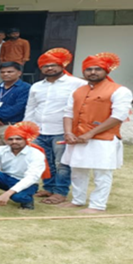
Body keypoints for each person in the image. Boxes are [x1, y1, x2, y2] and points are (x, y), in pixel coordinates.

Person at [57, 53, 133, 214]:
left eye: (97, 69)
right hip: (77, 138)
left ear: (106, 71)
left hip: (103, 138)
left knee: (102, 172)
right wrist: (68, 132)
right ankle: (77, 200)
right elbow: (68, 113)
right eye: (88, 69)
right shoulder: (78, 91)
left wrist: (91, 133)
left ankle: (98, 205)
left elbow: (119, 116)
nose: (92, 72)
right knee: (77, 170)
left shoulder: (120, 91)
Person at [24, 49, 87, 205]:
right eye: (45, 66)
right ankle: (49, 187)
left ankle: (60, 192)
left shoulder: (78, 84)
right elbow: (30, 108)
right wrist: (27, 128)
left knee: (62, 164)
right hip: (39, 130)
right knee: (44, 162)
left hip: (62, 131)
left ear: (62, 65)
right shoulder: (36, 86)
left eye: (53, 65)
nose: (49, 69)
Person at [0, 122, 48, 210]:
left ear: (26, 140)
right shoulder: (1, 150)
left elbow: (31, 178)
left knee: (17, 197)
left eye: (18, 139)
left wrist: (8, 193)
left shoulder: (35, 154)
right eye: (10, 139)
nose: (14, 142)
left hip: (27, 183)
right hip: (6, 179)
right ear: (6, 140)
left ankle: (27, 201)